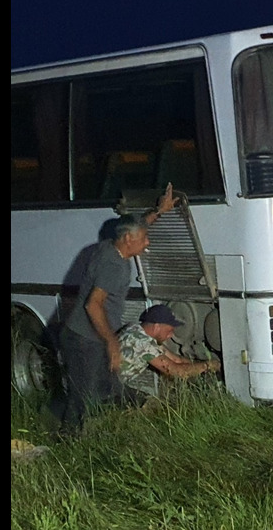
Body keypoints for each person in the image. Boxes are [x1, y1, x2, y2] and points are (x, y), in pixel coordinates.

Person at [56, 183, 180, 436]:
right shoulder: (112, 265)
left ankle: (125, 424)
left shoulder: (112, 247)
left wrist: (159, 211)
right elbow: (93, 305)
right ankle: (68, 443)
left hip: (91, 338)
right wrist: (111, 342)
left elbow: (139, 224)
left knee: (109, 386)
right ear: (128, 240)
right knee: (83, 396)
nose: (146, 243)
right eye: (143, 239)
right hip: (84, 339)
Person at [116, 304, 221, 402]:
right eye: (169, 330)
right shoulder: (143, 344)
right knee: (149, 406)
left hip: (107, 380)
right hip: (106, 386)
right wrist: (207, 366)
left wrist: (202, 364)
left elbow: (176, 360)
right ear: (157, 327)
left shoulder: (135, 329)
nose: (170, 335)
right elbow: (177, 372)